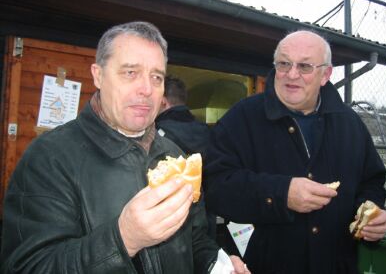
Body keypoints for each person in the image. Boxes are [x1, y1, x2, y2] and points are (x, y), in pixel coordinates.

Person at [0, 21, 249, 274]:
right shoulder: (48, 158)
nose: (146, 89)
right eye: (130, 72)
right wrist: (124, 239)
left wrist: (216, 263)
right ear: (98, 75)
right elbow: (28, 267)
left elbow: (194, 240)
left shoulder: (175, 156)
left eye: (156, 77)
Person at [203, 30, 386, 274]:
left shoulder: (350, 124)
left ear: (326, 74)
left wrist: (371, 216)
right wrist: (281, 194)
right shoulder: (242, 118)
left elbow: (372, 182)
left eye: (304, 66)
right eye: (284, 64)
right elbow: (215, 187)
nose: (292, 74)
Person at [156, 76, 217, 240]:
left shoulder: (157, 133)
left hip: (172, 218)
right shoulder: (206, 130)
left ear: (163, 102)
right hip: (206, 215)